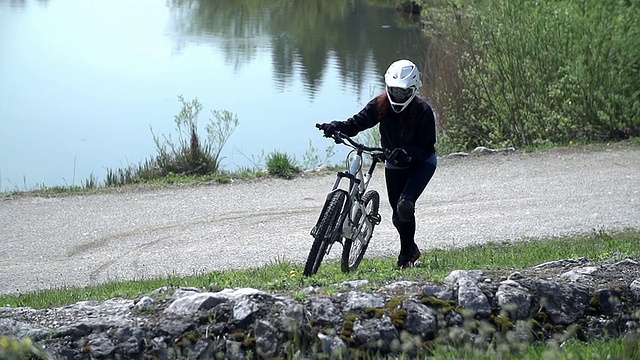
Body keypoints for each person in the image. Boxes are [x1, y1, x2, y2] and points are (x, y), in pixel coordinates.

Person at [318, 59, 437, 269]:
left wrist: (408, 155)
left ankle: (405, 258)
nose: (398, 96)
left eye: (404, 92)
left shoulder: (423, 112)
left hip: (421, 163)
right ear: (387, 87)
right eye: (394, 91)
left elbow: (427, 147)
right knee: (397, 214)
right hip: (394, 162)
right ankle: (411, 248)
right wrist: (336, 126)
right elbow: (356, 123)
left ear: (414, 90)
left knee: (405, 206)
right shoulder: (379, 105)